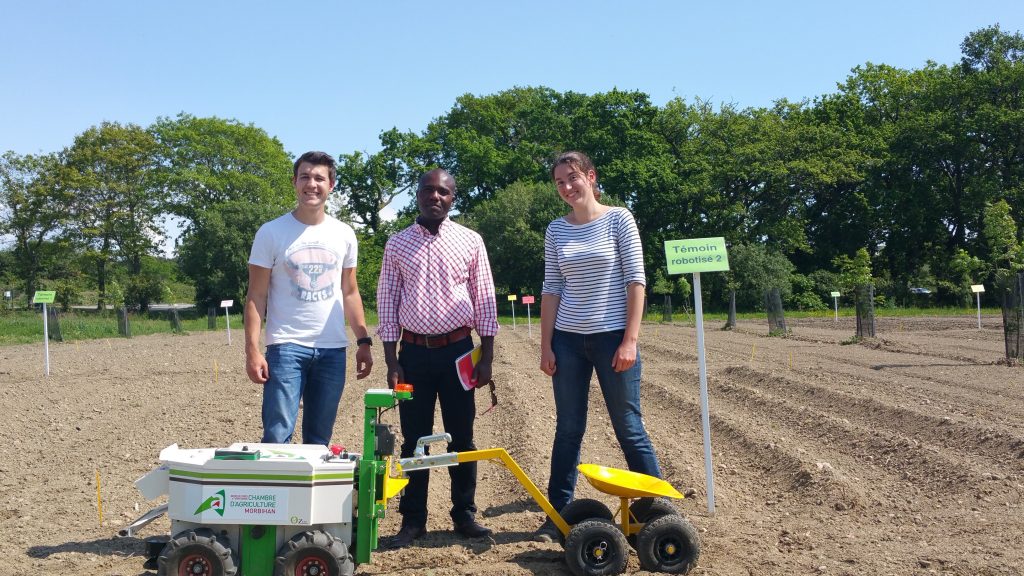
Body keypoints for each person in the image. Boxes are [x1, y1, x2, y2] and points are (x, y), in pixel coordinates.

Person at [534, 151, 662, 541]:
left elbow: (635, 281)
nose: (567, 187)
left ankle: (655, 511)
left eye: (572, 178)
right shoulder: (556, 230)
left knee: (628, 426)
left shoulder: (619, 219)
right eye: (559, 182)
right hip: (569, 341)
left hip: (612, 339)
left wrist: (630, 340)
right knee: (568, 429)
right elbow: (552, 288)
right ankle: (557, 516)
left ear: (590, 176)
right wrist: (546, 346)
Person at [376, 168, 499, 549]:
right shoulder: (397, 244)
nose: (435, 196)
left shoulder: (470, 241)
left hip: (460, 353)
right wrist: (391, 360)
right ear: (417, 195)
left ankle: (464, 513)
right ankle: (413, 520)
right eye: (428, 190)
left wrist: (487, 357)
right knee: (415, 439)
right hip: (412, 355)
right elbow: (387, 302)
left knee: (462, 436)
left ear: (453, 198)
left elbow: (485, 298)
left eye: (443, 192)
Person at [244, 150, 373, 446]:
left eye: (319, 178)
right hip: (286, 348)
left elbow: (350, 292)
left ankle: (307, 494)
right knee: (277, 436)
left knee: (319, 440)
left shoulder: (344, 234)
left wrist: (363, 341)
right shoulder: (271, 233)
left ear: (331, 185)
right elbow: (256, 295)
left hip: (332, 350)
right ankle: (275, 492)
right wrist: (252, 350)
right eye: (305, 177)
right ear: (294, 182)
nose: (311, 184)